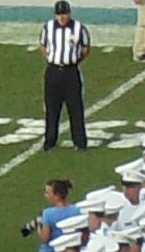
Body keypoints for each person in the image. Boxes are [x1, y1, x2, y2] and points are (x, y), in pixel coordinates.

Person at [39, 0, 91, 151]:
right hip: (53, 71)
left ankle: (80, 142)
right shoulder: (48, 27)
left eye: (64, 14)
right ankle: (50, 142)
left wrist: (75, 61)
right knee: (52, 108)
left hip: (71, 72)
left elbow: (86, 48)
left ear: (69, 14)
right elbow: (43, 45)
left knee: (75, 108)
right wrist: (51, 58)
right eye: (59, 14)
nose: (62, 17)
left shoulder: (78, 28)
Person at [37, 179, 81, 252]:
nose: (46, 196)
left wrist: (39, 226)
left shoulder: (48, 213)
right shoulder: (77, 210)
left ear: (57, 195)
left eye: (48, 193)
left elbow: (45, 238)